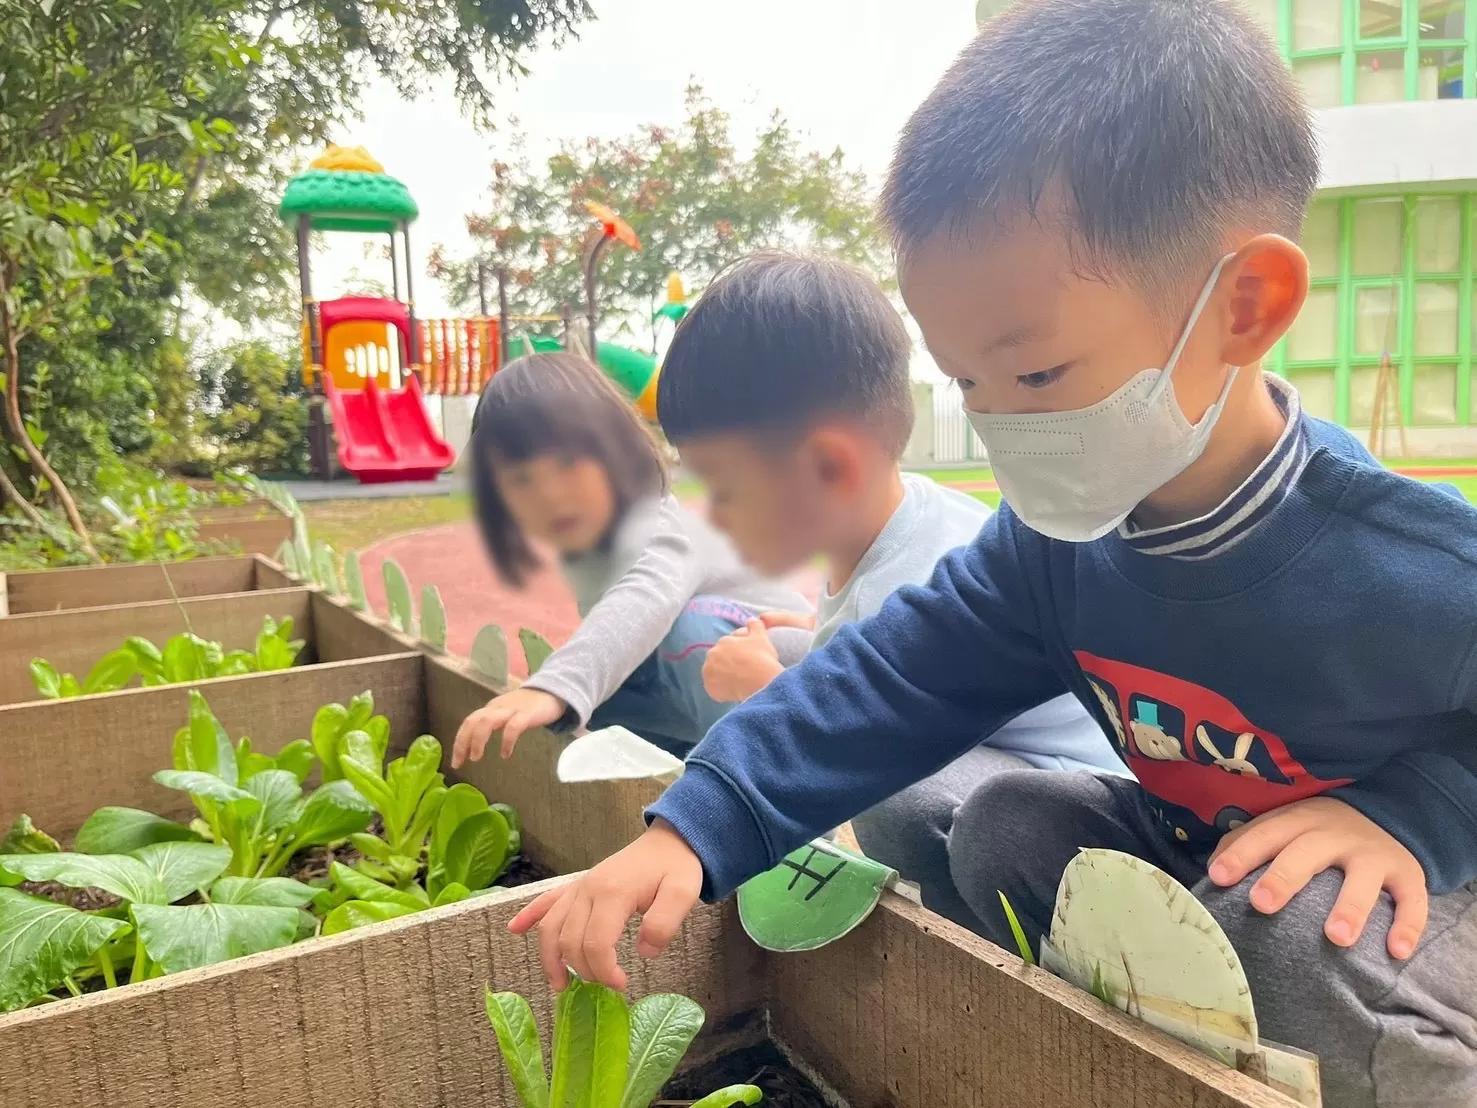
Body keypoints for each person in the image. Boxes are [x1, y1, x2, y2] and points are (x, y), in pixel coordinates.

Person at [508, 3, 1477, 1105]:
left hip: (1405, 900)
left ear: (1244, 307)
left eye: (1038, 375)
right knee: (996, 820)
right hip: (1207, 850)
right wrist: (695, 825)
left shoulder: (1403, 566)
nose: (1000, 422)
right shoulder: (1057, 546)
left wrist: (1415, 814)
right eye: (967, 381)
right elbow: (890, 679)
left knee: (1291, 934)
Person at [658, 251, 1121, 928]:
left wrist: (764, 687)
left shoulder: (906, 579)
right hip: (1000, 748)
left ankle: (966, 939)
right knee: (790, 648)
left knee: (891, 795)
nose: (716, 516)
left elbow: (871, 729)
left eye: (726, 489)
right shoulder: (897, 519)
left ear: (829, 468)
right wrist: (801, 647)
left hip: (1061, 807)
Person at [450, 352, 807, 766]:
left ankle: (762, 782)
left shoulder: (653, 524)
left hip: (799, 680)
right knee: (607, 695)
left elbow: (645, 596)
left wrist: (553, 686)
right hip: (721, 685)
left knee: (685, 633)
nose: (550, 493)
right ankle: (693, 772)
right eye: (522, 480)